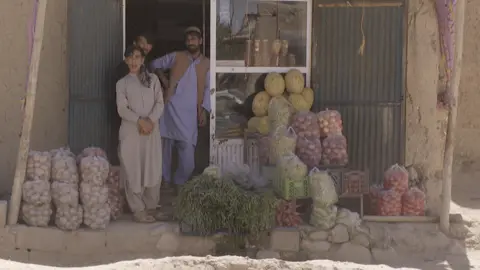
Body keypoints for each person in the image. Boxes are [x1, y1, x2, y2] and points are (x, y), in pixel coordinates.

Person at [150, 26, 210, 193]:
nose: (191, 41)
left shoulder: (207, 64)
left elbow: (208, 89)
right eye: (188, 39)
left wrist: (204, 110)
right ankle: (165, 181)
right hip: (169, 110)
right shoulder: (176, 56)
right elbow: (153, 64)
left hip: (190, 116)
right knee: (164, 152)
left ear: (200, 41)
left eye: (194, 38)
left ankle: (179, 181)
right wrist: (164, 81)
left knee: (188, 160)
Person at [116, 45, 164, 223]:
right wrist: (140, 121)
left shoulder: (153, 80)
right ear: (126, 60)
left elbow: (160, 103)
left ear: (143, 60)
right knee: (132, 168)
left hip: (151, 131)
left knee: (152, 167)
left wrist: (150, 120)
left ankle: (151, 206)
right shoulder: (122, 83)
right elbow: (122, 108)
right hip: (132, 132)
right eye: (130, 57)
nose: (134, 61)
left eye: (137, 57)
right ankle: (138, 209)